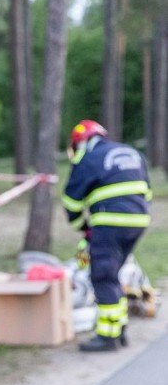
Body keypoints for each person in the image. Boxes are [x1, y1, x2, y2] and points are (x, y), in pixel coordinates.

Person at [61, 119, 151, 352]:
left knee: (101, 277)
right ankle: (119, 330)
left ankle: (107, 336)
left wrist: (84, 227)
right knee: (112, 276)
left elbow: (71, 202)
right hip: (139, 221)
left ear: (80, 142)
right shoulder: (131, 152)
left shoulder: (87, 158)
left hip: (109, 223)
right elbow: (147, 192)